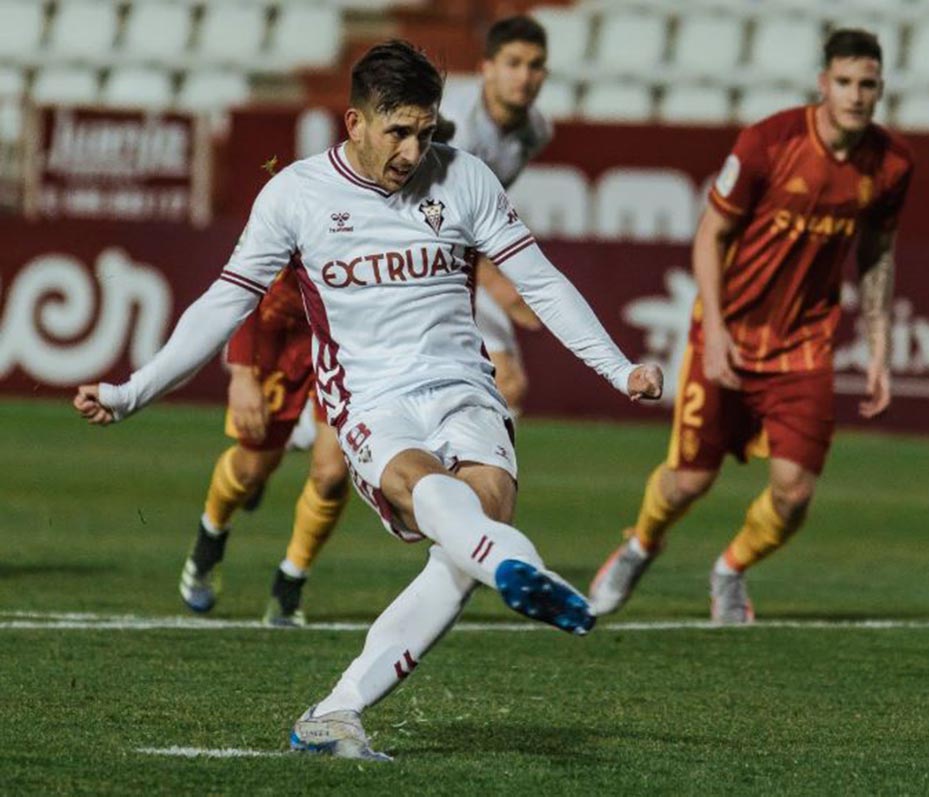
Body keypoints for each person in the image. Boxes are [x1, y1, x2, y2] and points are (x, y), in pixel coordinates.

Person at [74, 39, 662, 760]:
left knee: (470, 532)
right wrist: (134, 390)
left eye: (428, 131)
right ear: (354, 122)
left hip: (465, 387)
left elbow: (539, 281)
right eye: (399, 131)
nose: (415, 150)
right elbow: (223, 303)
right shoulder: (295, 194)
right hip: (372, 400)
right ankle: (512, 562)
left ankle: (340, 706)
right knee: (438, 501)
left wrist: (616, 367)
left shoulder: (465, 177)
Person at [589, 29, 914, 624]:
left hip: (804, 344)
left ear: (880, 89)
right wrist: (714, 329)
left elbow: (878, 255)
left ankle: (730, 570)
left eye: (868, 84)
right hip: (729, 329)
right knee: (687, 483)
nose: (856, 95)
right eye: (844, 82)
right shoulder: (770, 141)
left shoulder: (891, 165)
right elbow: (711, 234)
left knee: (794, 494)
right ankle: (640, 545)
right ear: (824, 84)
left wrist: (879, 347)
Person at [179, 268, 349, 627]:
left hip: (345, 337)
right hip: (282, 330)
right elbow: (247, 275)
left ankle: (290, 583)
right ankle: (210, 537)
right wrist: (241, 375)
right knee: (253, 468)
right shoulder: (286, 208)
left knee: (333, 474)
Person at [439, 15, 553, 415]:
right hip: (412, 258)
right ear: (486, 68)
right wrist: (501, 286)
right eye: (513, 63)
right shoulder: (454, 129)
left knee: (507, 385)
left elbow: (481, 210)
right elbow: (445, 218)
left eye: (535, 65)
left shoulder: (535, 131)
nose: (524, 76)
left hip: (457, 259)